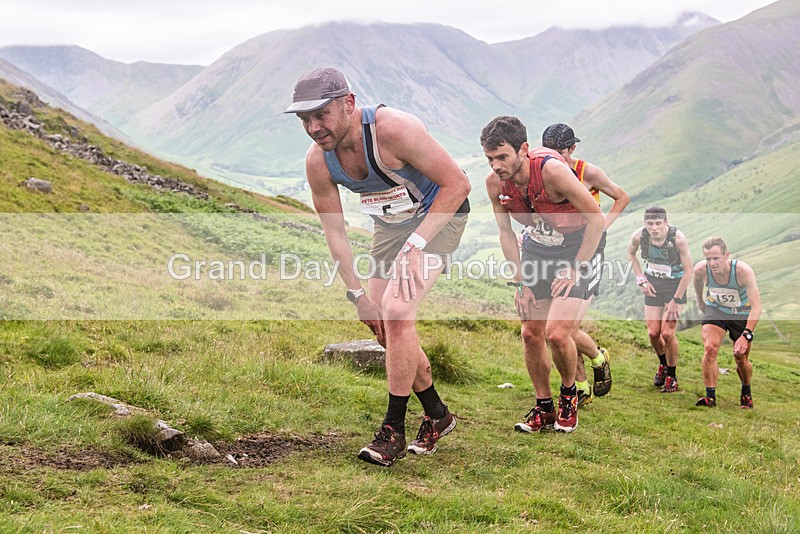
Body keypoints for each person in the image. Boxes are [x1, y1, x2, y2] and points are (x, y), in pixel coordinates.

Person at [285, 67, 471, 466]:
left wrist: (418, 244)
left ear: (349, 104)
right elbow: (334, 231)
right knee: (386, 328)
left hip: (440, 214)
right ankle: (438, 414)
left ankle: (392, 431)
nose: (314, 128)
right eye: (305, 120)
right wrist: (356, 297)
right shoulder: (319, 161)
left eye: (322, 115)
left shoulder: (393, 130)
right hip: (391, 225)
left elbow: (457, 184)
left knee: (400, 312)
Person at [481, 116, 604, 433]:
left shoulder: (552, 171)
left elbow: (596, 219)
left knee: (557, 333)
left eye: (502, 157)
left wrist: (576, 268)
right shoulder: (495, 183)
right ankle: (544, 407)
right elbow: (506, 233)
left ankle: (569, 396)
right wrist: (519, 281)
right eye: (490, 158)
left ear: (523, 149)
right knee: (530, 333)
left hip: (577, 250)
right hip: (538, 251)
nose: (496, 165)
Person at [541, 123, 630, 406]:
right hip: (558, 251)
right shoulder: (543, 172)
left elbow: (621, 196)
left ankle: (598, 358)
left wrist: (603, 225)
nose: (554, 158)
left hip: (589, 251)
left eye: (560, 152)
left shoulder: (586, 172)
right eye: (549, 152)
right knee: (556, 330)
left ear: (572, 149)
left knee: (567, 329)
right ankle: (581, 388)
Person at [626, 207, 693, 392]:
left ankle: (672, 375)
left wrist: (676, 300)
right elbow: (631, 255)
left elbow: (689, 270)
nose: (654, 228)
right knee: (653, 333)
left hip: (674, 286)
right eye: (650, 224)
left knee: (667, 334)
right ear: (644, 224)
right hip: (653, 283)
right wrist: (641, 279)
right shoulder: (639, 236)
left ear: (666, 222)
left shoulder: (677, 238)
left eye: (657, 223)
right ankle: (663, 364)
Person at [692, 237, 761, 408]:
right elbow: (697, 281)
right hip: (716, 310)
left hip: (741, 314)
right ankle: (710, 397)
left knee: (740, 358)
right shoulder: (701, 269)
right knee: (710, 348)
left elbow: (756, 307)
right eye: (708, 259)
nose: (712, 263)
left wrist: (746, 335)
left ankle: (746, 391)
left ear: (726, 255)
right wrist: (700, 301)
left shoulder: (743, 271)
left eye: (716, 258)